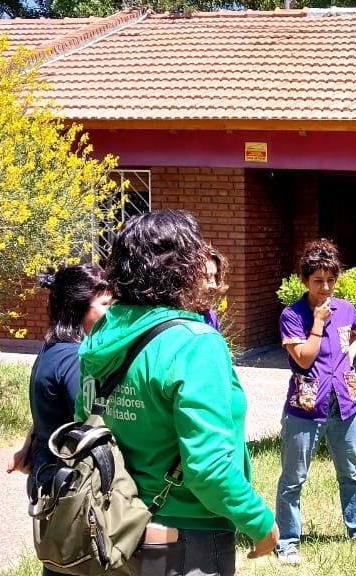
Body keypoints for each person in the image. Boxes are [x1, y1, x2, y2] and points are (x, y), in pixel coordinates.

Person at [77, 209, 277, 576]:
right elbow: (209, 469)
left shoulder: (103, 334)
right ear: (182, 266)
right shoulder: (194, 343)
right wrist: (260, 523)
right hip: (185, 538)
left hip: (113, 527)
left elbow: (84, 426)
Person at [274, 239, 356, 565]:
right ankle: (287, 541)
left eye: (331, 279)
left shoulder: (346, 309)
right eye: (318, 281)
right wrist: (317, 322)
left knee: (351, 472)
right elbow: (304, 359)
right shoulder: (293, 315)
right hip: (306, 406)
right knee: (294, 478)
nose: (326, 287)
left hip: (346, 403)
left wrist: (351, 353)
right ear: (305, 280)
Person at [8, 265, 113, 576]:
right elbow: (89, 422)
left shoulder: (52, 348)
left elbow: (49, 411)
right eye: (106, 305)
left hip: (49, 476)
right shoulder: (73, 359)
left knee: (60, 565)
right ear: (76, 307)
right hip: (70, 486)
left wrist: (28, 444)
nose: (113, 314)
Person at [201, 246, 226, 331]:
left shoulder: (210, 316)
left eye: (215, 276)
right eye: (207, 276)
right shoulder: (168, 320)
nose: (214, 285)